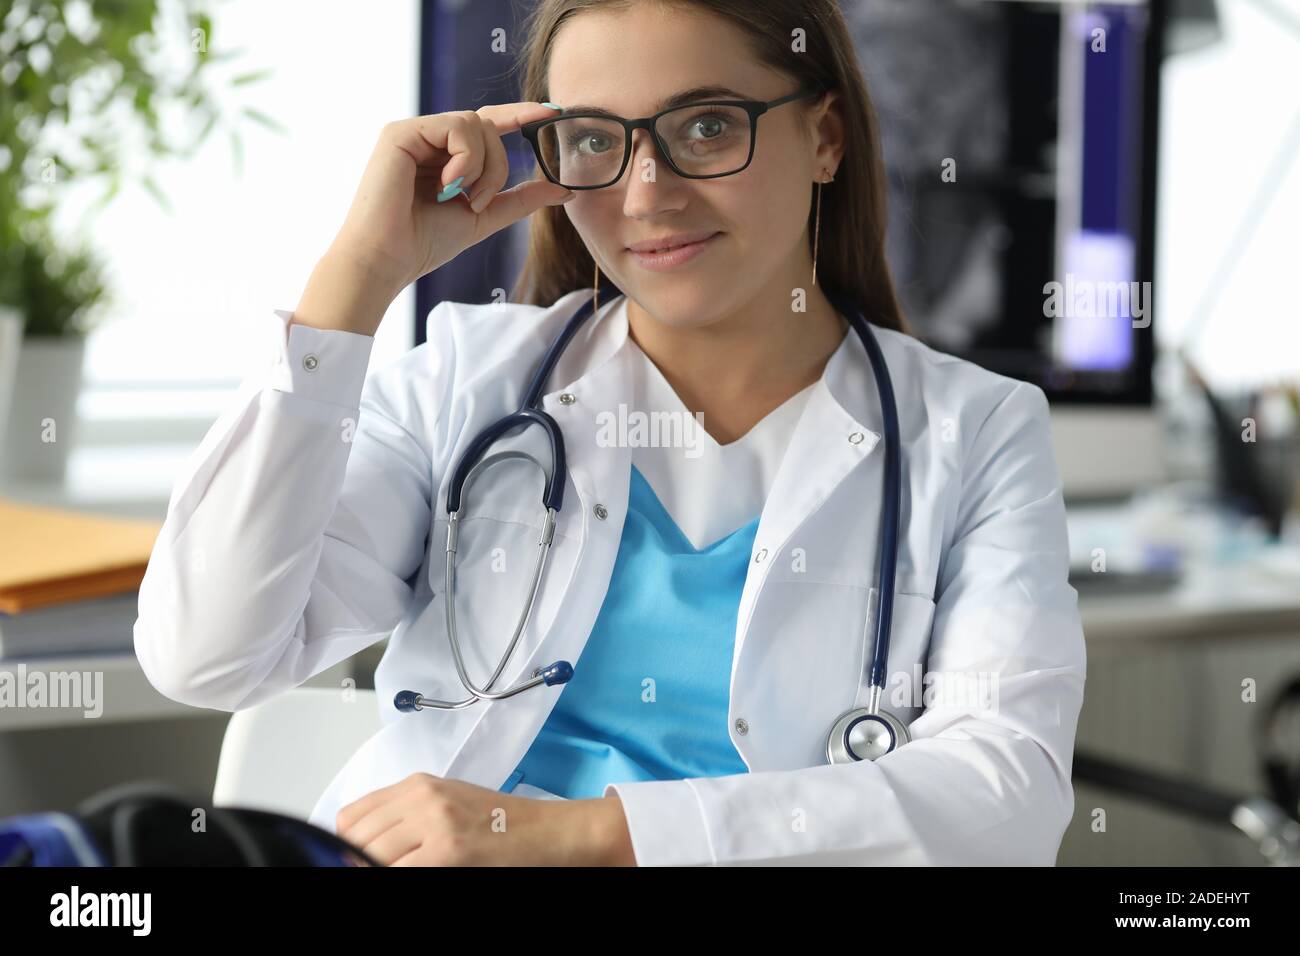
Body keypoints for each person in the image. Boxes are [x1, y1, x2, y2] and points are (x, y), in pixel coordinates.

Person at [135, 0, 1085, 866]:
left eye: (707, 126)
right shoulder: (470, 380)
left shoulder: (976, 430)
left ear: (825, 136)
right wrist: (361, 275)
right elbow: (208, 655)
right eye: (595, 140)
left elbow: (1007, 800)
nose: (645, 193)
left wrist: (581, 836)